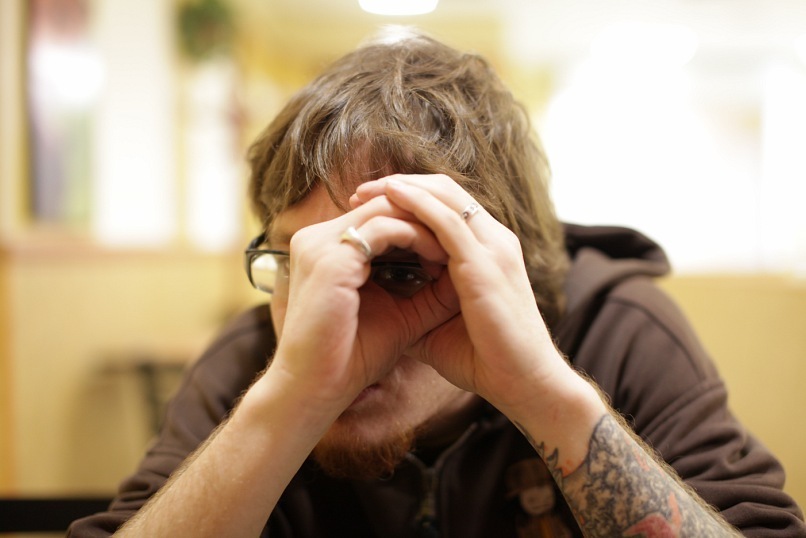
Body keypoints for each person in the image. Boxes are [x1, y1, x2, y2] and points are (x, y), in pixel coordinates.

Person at [68, 30, 805, 537]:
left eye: (397, 269)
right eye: (304, 260)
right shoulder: (255, 355)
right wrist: (287, 403)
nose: (339, 315)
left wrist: (544, 395)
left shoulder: (617, 330)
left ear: (504, 269)